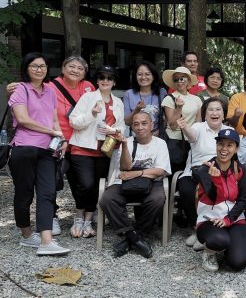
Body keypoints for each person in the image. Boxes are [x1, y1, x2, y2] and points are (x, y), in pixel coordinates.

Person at [9, 52, 70, 256]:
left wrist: (60, 138)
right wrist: (51, 132)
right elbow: (23, 119)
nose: (39, 69)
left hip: (47, 150)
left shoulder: (51, 92)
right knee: (24, 193)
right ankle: (27, 235)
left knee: (47, 192)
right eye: (34, 66)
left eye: (43, 66)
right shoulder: (20, 90)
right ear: (27, 69)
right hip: (24, 148)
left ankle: (46, 241)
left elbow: (54, 121)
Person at [98, 111, 171, 258]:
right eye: (136, 124)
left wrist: (137, 173)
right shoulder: (129, 142)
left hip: (151, 182)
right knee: (107, 199)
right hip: (125, 181)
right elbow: (125, 168)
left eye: (144, 123)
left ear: (151, 125)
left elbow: (160, 170)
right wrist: (124, 145)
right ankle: (134, 237)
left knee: (157, 199)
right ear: (132, 127)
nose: (140, 127)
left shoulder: (160, 143)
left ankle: (131, 238)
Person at [67, 65, 126, 239]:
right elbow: (74, 122)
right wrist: (92, 115)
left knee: (96, 186)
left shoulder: (118, 102)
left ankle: (88, 219)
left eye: (109, 78)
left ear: (114, 82)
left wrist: (113, 130)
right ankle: (78, 216)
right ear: (97, 81)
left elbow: (122, 125)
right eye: (101, 77)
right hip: (83, 148)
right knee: (85, 184)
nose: (105, 81)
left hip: (105, 150)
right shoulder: (88, 97)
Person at [192, 128, 246, 272]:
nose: (224, 149)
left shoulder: (239, 169)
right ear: (216, 146)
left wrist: (228, 219)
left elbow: (244, 199)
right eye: (221, 144)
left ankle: (227, 246)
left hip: (234, 219)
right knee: (219, 240)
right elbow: (213, 197)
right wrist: (216, 180)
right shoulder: (205, 169)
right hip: (209, 219)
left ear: (236, 149)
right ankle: (210, 250)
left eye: (230, 145)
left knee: (239, 262)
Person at [177, 97, 231, 251]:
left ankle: (210, 230)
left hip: (221, 172)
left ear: (224, 114)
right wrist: (185, 127)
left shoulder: (229, 130)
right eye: (210, 110)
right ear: (205, 114)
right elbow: (191, 136)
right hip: (195, 170)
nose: (214, 113)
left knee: (215, 190)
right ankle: (197, 228)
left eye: (218, 109)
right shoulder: (198, 127)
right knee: (187, 189)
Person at [161, 66, 203, 171]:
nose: (179, 81)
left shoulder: (196, 99)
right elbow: (173, 125)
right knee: (174, 172)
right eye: (176, 79)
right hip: (175, 141)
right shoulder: (169, 98)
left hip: (192, 141)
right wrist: (179, 107)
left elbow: (198, 122)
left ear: (188, 80)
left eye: (183, 78)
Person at [123, 61, 167, 135]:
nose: (143, 77)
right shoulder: (129, 94)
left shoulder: (161, 93)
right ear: (135, 76)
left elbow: (167, 117)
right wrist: (137, 110)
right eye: (140, 74)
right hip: (136, 137)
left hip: (156, 136)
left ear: (153, 76)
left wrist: (160, 132)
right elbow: (127, 122)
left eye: (147, 74)